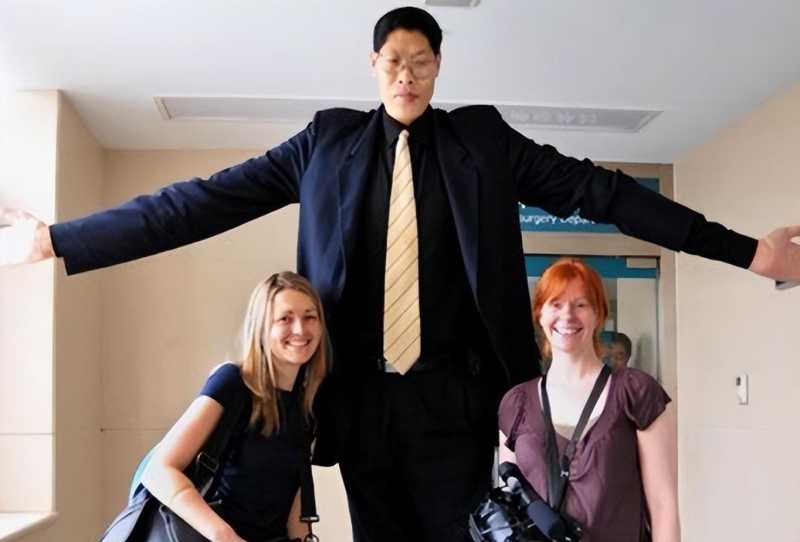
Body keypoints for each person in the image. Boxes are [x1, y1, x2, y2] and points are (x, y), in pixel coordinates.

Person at [0, 6, 798, 541]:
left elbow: (604, 192)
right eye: (393, 62)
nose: (406, 76)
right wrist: (59, 241)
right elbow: (200, 202)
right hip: (361, 407)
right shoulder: (324, 145)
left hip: (460, 405)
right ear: (374, 67)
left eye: (420, 62)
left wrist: (748, 252)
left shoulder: (483, 142)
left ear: (438, 67)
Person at [140, 271, 329, 542]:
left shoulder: (307, 404)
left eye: (310, 317)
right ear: (262, 327)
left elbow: (293, 500)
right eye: (285, 319)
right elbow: (159, 470)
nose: (300, 329)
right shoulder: (233, 382)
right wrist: (224, 536)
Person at [499, 258, 679, 542]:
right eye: (556, 304)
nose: (567, 316)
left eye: (581, 304)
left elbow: (663, 505)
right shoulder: (517, 403)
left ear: (599, 314)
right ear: (540, 314)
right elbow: (510, 504)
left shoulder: (636, 392)